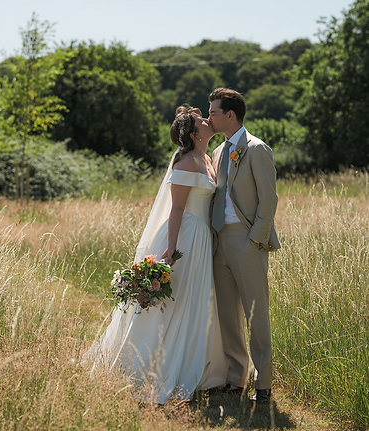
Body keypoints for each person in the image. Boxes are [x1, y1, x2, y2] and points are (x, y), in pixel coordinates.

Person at [83, 106, 228, 404]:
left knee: (193, 300)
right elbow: (176, 209)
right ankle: (148, 364)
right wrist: (171, 249)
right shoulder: (186, 162)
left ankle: (196, 364)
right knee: (175, 302)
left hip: (202, 238)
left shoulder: (207, 157)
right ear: (193, 134)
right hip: (185, 234)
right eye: (202, 120)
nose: (207, 120)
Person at [208, 88, 280, 403]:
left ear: (230, 115)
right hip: (220, 241)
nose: (209, 117)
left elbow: (269, 199)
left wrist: (256, 239)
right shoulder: (218, 152)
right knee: (227, 315)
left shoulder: (257, 149)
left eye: (212, 112)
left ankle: (263, 384)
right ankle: (237, 378)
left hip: (247, 241)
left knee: (255, 314)